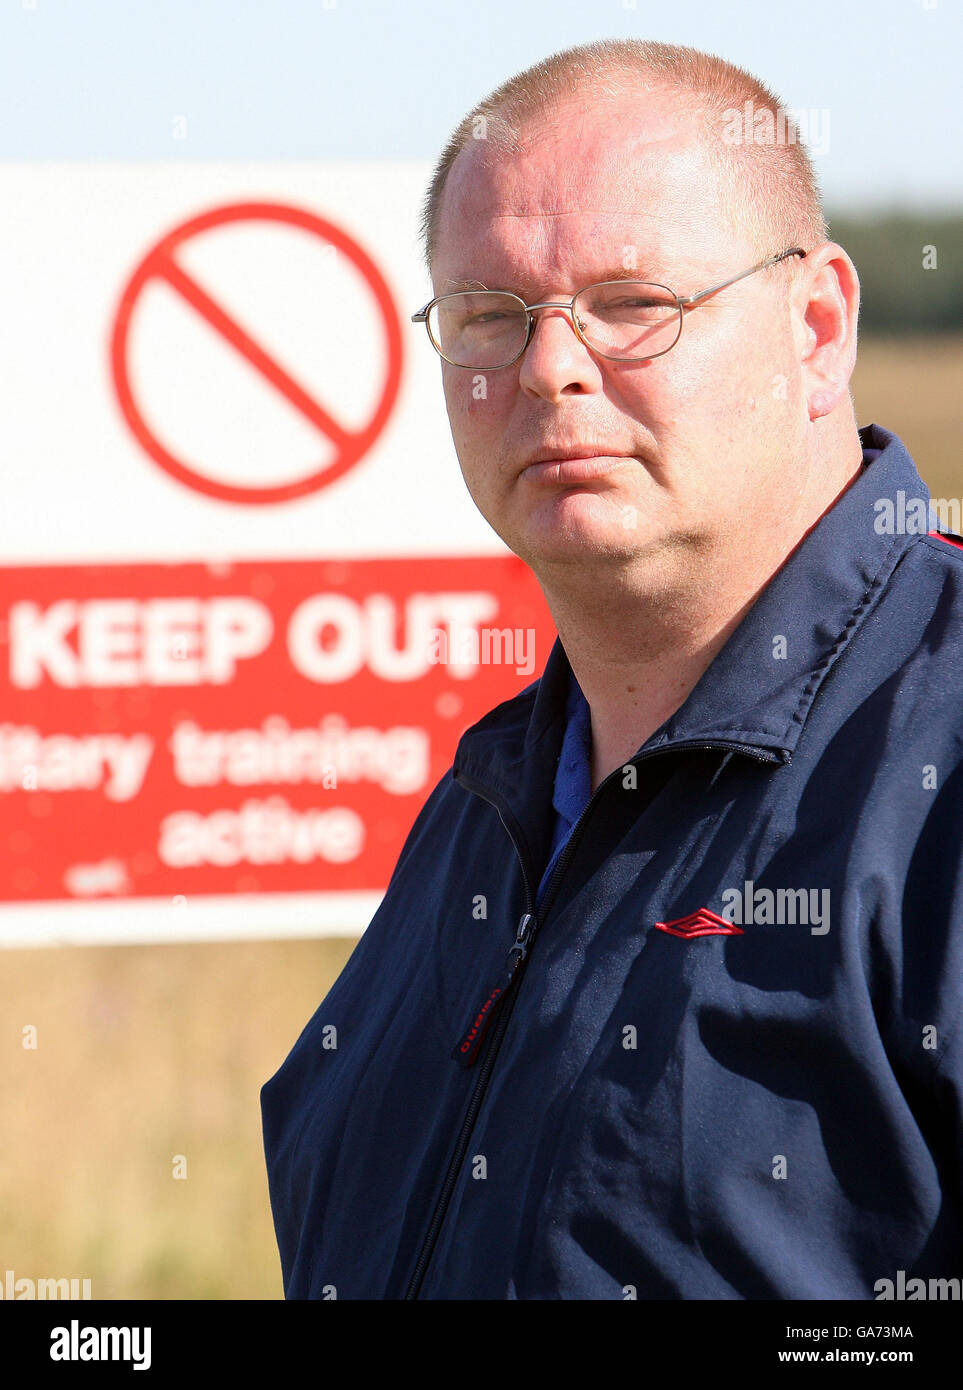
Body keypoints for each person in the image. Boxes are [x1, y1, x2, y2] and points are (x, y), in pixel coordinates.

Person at [261, 39, 963, 1300]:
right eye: (490, 314)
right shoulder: (493, 804)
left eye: (635, 303)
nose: (549, 368)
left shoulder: (941, 761)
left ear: (817, 328)